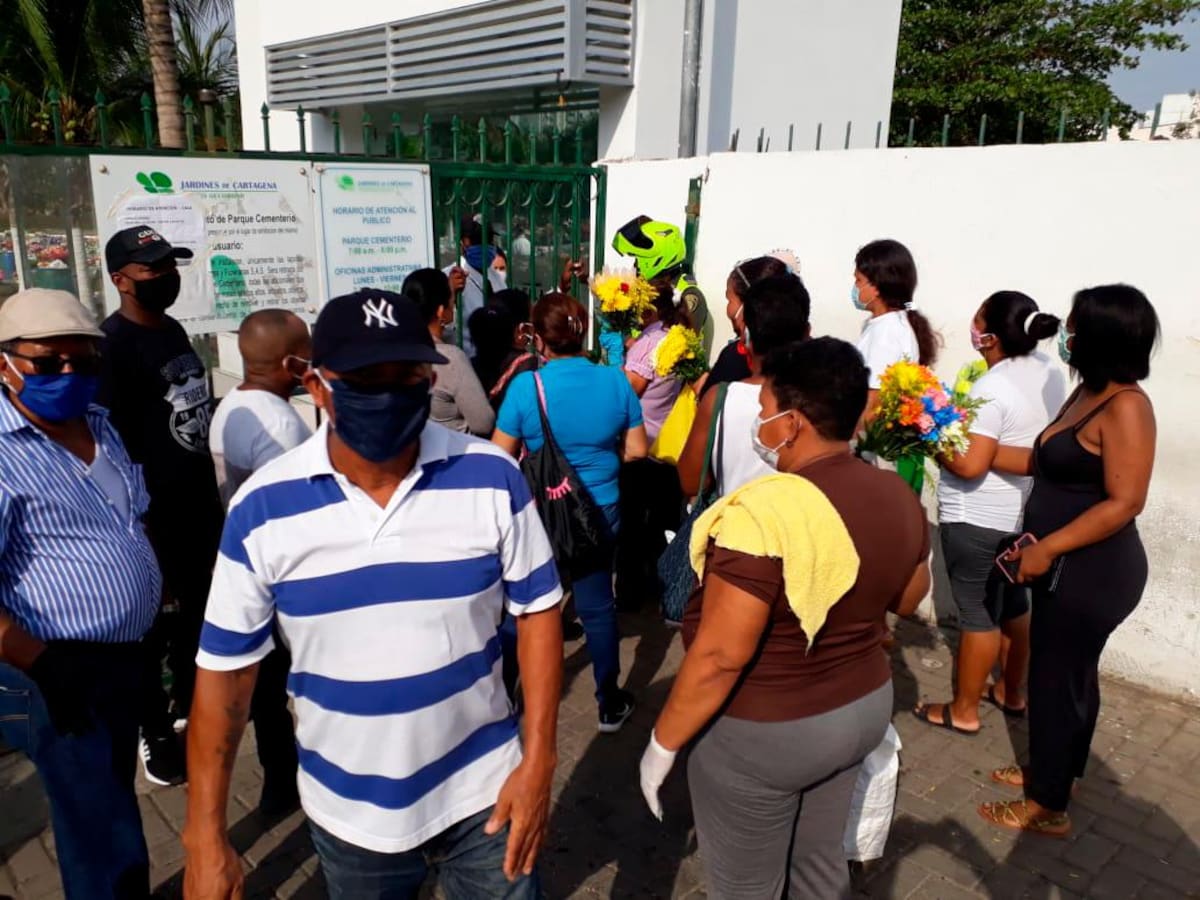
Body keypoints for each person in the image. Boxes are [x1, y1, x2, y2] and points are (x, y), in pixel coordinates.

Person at [183, 289, 565, 898]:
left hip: (486, 791)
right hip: (349, 814)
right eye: (364, 381)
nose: (386, 396)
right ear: (317, 386)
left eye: (405, 377)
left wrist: (539, 758)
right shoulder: (261, 509)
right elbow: (226, 675)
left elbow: (539, 610)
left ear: (428, 378)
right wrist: (204, 837)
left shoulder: (493, 476)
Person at [639, 338, 931, 898]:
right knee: (819, 866)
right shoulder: (895, 491)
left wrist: (663, 743)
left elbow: (721, 656)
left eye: (766, 408)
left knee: (747, 886)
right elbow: (909, 598)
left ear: (792, 424)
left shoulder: (763, 511)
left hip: (768, 732)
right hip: (863, 708)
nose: (761, 421)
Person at [978, 285, 1158, 838]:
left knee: (1056, 679)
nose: (1065, 335)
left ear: (1101, 336)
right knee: (1072, 677)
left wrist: (1048, 548)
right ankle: (1058, 771)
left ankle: (1047, 805)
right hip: (1064, 566)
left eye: (1075, 328)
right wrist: (967, 449)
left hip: (1092, 572)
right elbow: (1045, 460)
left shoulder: (1127, 407)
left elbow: (1125, 502)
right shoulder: (1087, 394)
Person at [0, 289, 162, 898]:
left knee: (112, 795)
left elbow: (127, 517)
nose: (69, 373)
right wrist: (46, 665)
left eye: (84, 360)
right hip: (54, 669)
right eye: (48, 362)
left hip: (123, 657)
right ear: (5, 364)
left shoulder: (98, 423)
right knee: (97, 826)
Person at [100, 224, 224, 787]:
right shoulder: (111, 349)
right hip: (152, 517)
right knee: (150, 628)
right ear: (121, 280)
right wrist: (140, 523)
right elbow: (112, 446)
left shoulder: (171, 329)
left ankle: (188, 709)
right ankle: (153, 729)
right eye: (153, 269)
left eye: (170, 266)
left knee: (198, 614)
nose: (167, 277)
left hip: (197, 504)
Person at [494, 292, 649, 731]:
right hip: (600, 509)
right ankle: (609, 703)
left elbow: (499, 455)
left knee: (523, 606)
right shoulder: (615, 381)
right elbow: (638, 450)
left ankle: (502, 699)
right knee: (597, 607)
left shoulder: (528, 386)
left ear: (539, 338)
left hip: (542, 511)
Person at [913, 292, 1066, 736]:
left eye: (978, 319)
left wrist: (931, 434)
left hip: (976, 516)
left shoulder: (992, 387)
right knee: (1015, 604)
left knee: (977, 614)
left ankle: (964, 709)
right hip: (1020, 517)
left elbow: (969, 464)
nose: (973, 326)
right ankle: (1010, 691)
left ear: (991, 337)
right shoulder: (1048, 372)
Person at [208, 308, 312, 817]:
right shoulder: (279, 425)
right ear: (292, 362)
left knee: (267, 687)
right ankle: (302, 778)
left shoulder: (232, 405)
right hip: (284, 574)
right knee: (295, 680)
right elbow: (293, 511)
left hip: (248, 563)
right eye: (308, 350)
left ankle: (279, 777)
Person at [679, 273, 812, 499]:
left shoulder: (720, 398)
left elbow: (691, 482)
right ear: (807, 333)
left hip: (734, 517)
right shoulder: (819, 399)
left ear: (746, 336)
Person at [615, 282, 691, 608]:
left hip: (639, 445)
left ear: (647, 308)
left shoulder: (649, 343)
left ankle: (631, 595)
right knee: (658, 525)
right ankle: (659, 588)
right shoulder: (677, 335)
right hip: (666, 441)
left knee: (632, 525)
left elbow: (626, 391)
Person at [404, 267, 496, 436]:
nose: (453, 306)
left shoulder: (398, 352)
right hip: (452, 448)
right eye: (452, 302)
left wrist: (450, 291)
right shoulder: (450, 359)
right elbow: (483, 423)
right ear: (440, 311)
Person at [852, 239, 940, 412]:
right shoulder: (886, 324)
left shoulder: (887, 332)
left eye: (858, 280)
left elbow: (873, 402)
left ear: (876, 286)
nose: (855, 286)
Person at [701, 253, 797, 398]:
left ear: (748, 305)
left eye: (729, 300)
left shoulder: (735, 358)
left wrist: (702, 391)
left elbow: (710, 405)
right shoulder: (810, 358)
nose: (728, 309)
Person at [446, 216, 507, 356]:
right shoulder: (449, 277)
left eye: (488, 239)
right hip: (467, 360)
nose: (484, 245)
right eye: (477, 240)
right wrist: (451, 294)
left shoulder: (496, 276)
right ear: (462, 243)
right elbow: (443, 329)